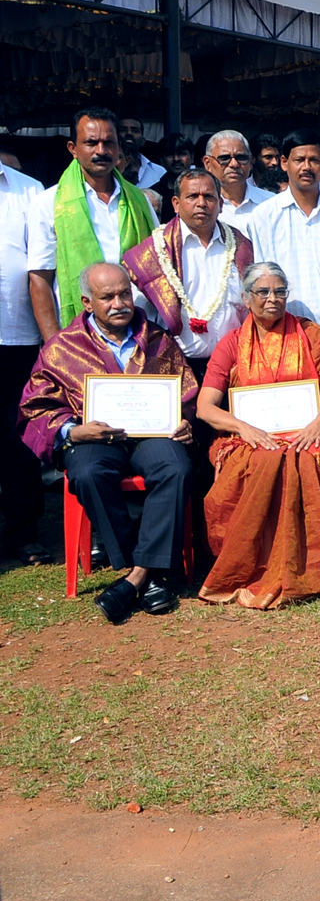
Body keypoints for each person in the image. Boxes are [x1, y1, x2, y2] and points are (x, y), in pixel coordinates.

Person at [20, 263, 194, 623]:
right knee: (86, 472)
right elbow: (33, 407)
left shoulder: (158, 340)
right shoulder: (61, 348)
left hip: (151, 436)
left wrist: (185, 422)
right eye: (108, 297)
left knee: (176, 467)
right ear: (87, 302)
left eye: (125, 294)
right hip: (94, 436)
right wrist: (71, 430)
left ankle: (136, 577)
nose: (119, 303)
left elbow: (188, 393)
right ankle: (149, 570)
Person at [194, 261, 320, 608]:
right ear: (246, 297)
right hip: (250, 435)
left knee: (306, 457)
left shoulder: (312, 334)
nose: (273, 299)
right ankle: (259, 567)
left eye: (280, 291)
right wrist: (243, 427)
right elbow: (205, 408)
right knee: (268, 460)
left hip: (308, 427)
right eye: (263, 292)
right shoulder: (231, 344)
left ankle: (314, 568)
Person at [28, 108, 157, 339]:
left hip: (138, 331)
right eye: (91, 143)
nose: (101, 151)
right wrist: (54, 345)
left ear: (119, 148)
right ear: (73, 149)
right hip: (76, 334)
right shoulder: (49, 203)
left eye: (109, 143)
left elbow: (158, 266)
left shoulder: (140, 202)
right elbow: (39, 280)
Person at [121, 167, 252, 379]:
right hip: (173, 367)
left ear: (220, 204)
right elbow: (138, 316)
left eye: (209, 197)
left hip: (235, 367)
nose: (201, 203)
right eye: (192, 196)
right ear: (176, 203)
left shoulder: (241, 246)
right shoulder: (153, 252)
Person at [244, 131, 320, 337]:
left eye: (314, 160)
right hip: (287, 336)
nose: (306, 167)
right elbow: (262, 281)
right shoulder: (263, 217)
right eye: (299, 160)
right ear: (284, 163)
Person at [0, 150, 47, 563]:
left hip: (15, 334)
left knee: (17, 438)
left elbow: (40, 268)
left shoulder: (29, 191)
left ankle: (21, 532)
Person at [202, 131, 272, 232]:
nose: (234, 164)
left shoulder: (271, 203)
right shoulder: (200, 207)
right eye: (225, 158)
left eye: (241, 157)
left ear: (251, 161)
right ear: (207, 163)